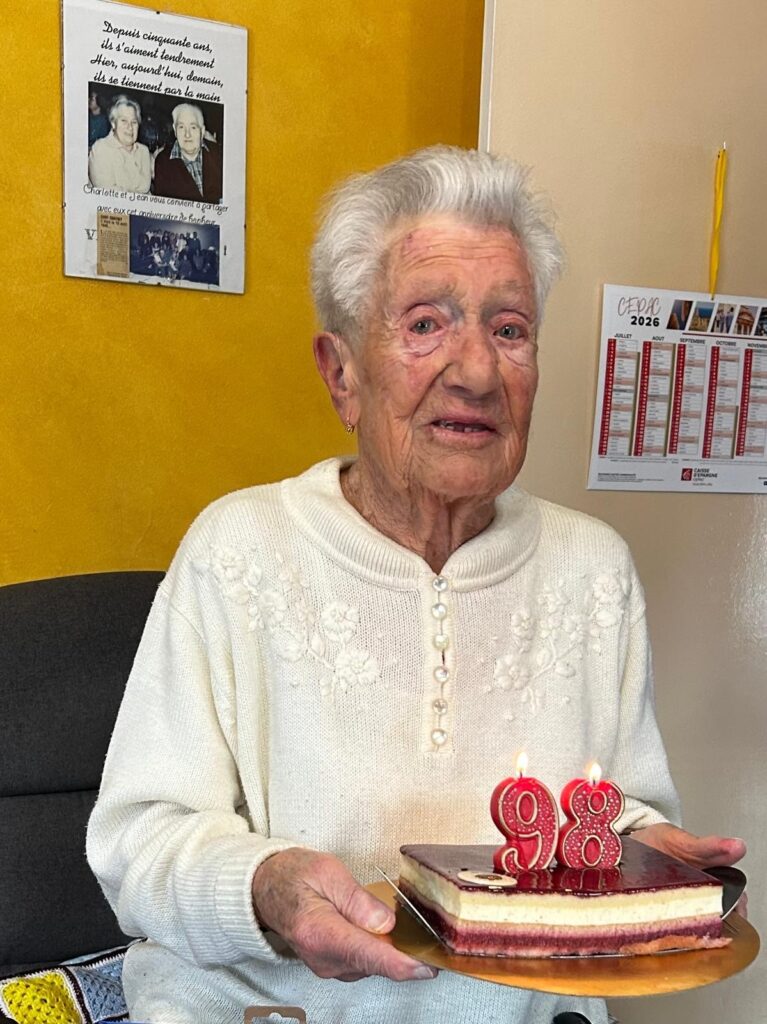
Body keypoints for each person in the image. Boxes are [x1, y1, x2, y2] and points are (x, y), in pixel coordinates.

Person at [87, 146, 745, 1024]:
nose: (476, 371)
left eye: (509, 329)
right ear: (341, 373)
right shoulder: (238, 550)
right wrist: (266, 887)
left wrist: (645, 852)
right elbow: (137, 842)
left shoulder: (593, 568)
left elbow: (617, 806)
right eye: (426, 323)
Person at [152, 102, 223, 204]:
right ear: (175, 130)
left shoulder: (219, 153)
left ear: (202, 130)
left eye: (193, 127)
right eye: (181, 127)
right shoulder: (163, 162)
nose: (187, 134)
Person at [88, 95, 151, 193]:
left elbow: (145, 188)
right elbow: (106, 192)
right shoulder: (101, 148)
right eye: (124, 121)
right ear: (113, 123)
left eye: (134, 122)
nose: (130, 127)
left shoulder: (143, 151)